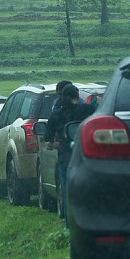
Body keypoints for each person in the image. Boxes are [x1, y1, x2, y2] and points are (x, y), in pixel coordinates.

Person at [44, 84, 96, 227]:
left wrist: (54, 143)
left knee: (68, 194)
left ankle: (70, 227)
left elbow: (48, 136)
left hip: (66, 159)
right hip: (87, 158)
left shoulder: (56, 114)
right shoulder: (89, 109)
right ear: (77, 95)